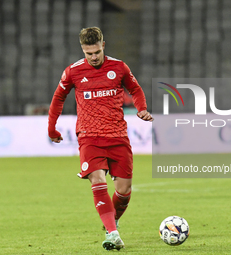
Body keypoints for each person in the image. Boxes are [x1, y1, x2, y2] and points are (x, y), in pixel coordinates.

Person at [48, 27, 153, 251]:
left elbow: (135, 89)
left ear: (103, 45)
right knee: (97, 180)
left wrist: (141, 109)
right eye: (88, 53)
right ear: (83, 51)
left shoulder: (119, 67)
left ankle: (111, 221)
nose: (93, 57)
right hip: (89, 136)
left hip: (117, 136)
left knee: (124, 191)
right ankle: (113, 233)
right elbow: (58, 98)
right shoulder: (73, 71)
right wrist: (52, 128)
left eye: (96, 52)